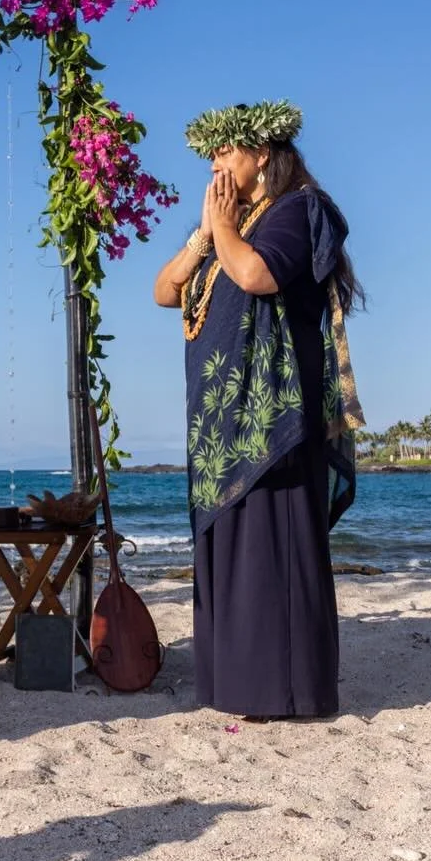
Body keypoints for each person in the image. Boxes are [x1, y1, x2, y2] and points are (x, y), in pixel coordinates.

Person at [153, 100, 365, 720]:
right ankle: (237, 686)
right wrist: (204, 232)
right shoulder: (229, 224)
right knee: (232, 542)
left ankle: (288, 691)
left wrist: (223, 232)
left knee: (270, 547)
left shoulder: (298, 212)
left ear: (262, 155)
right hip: (222, 416)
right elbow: (165, 291)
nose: (215, 165)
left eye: (226, 153)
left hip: (272, 413)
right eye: (212, 155)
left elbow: (256, 276)